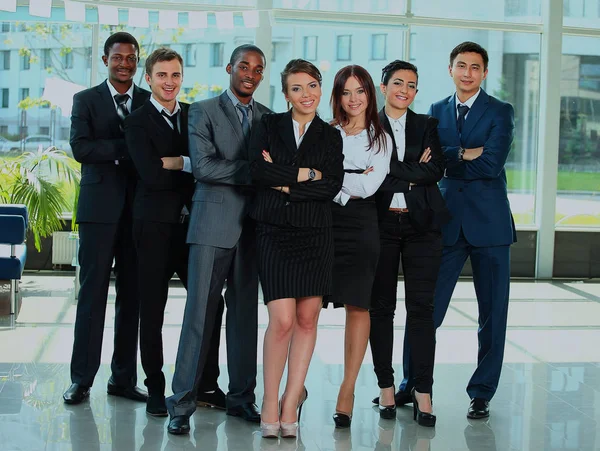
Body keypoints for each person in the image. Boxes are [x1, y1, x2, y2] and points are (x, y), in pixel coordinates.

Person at [166, 44, 271, 435]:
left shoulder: (269, 118)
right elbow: (205, 167)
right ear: (230, 68)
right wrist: (257, 171)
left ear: (262, 76)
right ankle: (181, 405)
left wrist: (263, 172)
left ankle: (242, 398)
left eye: (258, 68)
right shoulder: (203, 110)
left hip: (253, 226)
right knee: (199, 314)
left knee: (245, 316)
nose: (250, 73)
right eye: (244, 65)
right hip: (212, 223)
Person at [123, 48, 226, 416]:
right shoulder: (136, 122)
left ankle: (206, 384)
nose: (170, 82)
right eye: (162, 75)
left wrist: (180, 162)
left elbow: (207, 163)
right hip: (152, 227)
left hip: (194, 225)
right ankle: (155, 387)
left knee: (212, 303)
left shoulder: (194, 114)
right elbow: (150, 175)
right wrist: (193, 165)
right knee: (152, 307)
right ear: (147, 78)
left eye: (176, 75)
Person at [417, 41, 515, 420]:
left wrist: (450, 155)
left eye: (476, 67)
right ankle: (415, 384)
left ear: (484, 72)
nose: (468, 72)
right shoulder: (437, 111)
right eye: (462, 65)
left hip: (491, 226)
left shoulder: (501, 111)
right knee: (427, 310)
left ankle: (482, 392)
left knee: (492, 314)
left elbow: (491, 164)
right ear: (451, 69)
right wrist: (463, 153)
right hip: (447, 222)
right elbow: (430, 163)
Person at [249, 59, 344, 438]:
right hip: (273, 232)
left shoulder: (330, 136)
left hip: (316, 236)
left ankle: (291, 401)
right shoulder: (267, 126)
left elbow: (331, 186)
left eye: (312, 86)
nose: (307, 95)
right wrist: (306, 174)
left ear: (321, 88)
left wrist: (285, 180)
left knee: (307, 320)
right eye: (297, 88)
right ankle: (269, 401)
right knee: (283, 321)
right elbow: (257, 172)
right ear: (286, 94)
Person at [63, 32, 150, 405]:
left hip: (138, 214)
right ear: (105, 59)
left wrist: (120, 152)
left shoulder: (148, 101)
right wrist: (126, 149)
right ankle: (81, 379)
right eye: (118, 57)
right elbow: (81, 148)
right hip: (98, 213)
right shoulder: (85, 100)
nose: (125, 64)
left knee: (132, 298)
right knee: (92, 296)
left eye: (131, 58)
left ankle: (123, 379)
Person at [368, 60, 449, 427]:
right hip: (379, 224)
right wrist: (412, 171)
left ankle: (422, 390)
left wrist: (390, 169)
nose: (405, 89)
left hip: (423, 227)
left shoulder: (427, 124)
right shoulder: (366, 125)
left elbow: (436, 171)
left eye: (412, 85)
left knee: (422, 311)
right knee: (381, 309)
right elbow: (364, 174)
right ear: (383, 87)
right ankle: (386, 386)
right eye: (398, 83)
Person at [325, 65, 391, 429]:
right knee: (306, 307)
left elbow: (368, 188)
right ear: (337, 96)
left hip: (362, 224)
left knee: (357, 304)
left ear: (370, 94)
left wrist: (332, 182)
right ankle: (296, 386)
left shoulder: (380, 138)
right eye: (346, 92)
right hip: (322, 224)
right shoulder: (326, 132)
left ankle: (347, 390)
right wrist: (346, 178)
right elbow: (317, 174)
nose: (354, 99)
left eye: (360, 91)